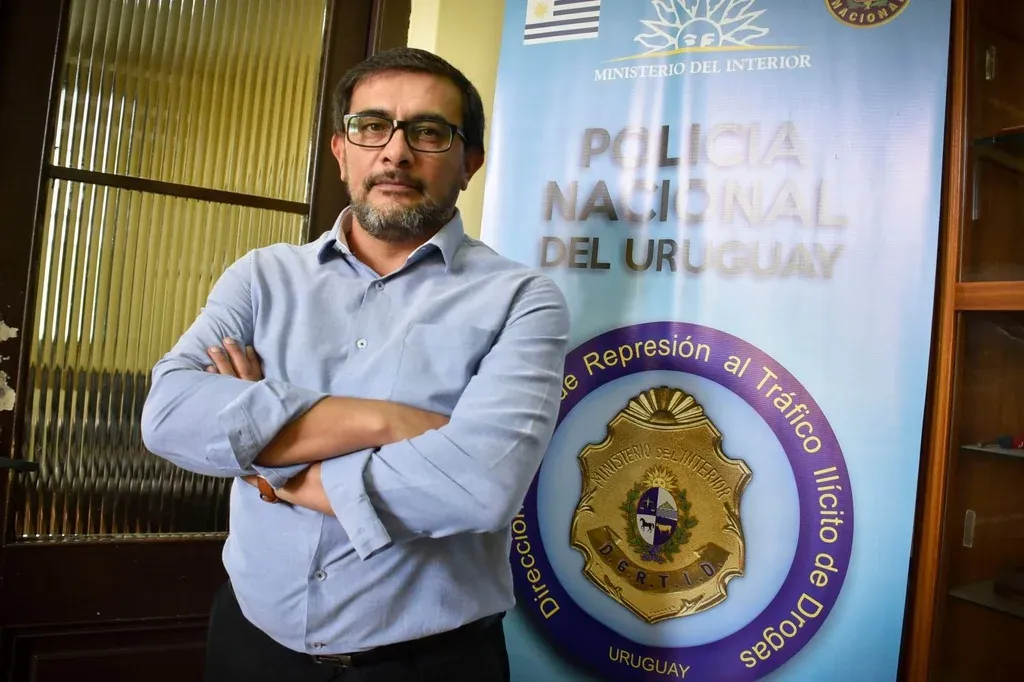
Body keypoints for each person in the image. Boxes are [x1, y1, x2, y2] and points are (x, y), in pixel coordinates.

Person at [140, 47, 570, 682]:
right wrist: (386, 421)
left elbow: (477, 488)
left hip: (427, 665)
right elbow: (169, 415)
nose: (395, 152)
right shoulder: (261, 277)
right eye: (372, 126)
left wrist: (269, 464)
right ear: (342, 152)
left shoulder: (523, 300)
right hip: (249, 644)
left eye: (429, 132)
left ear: (470, 164)